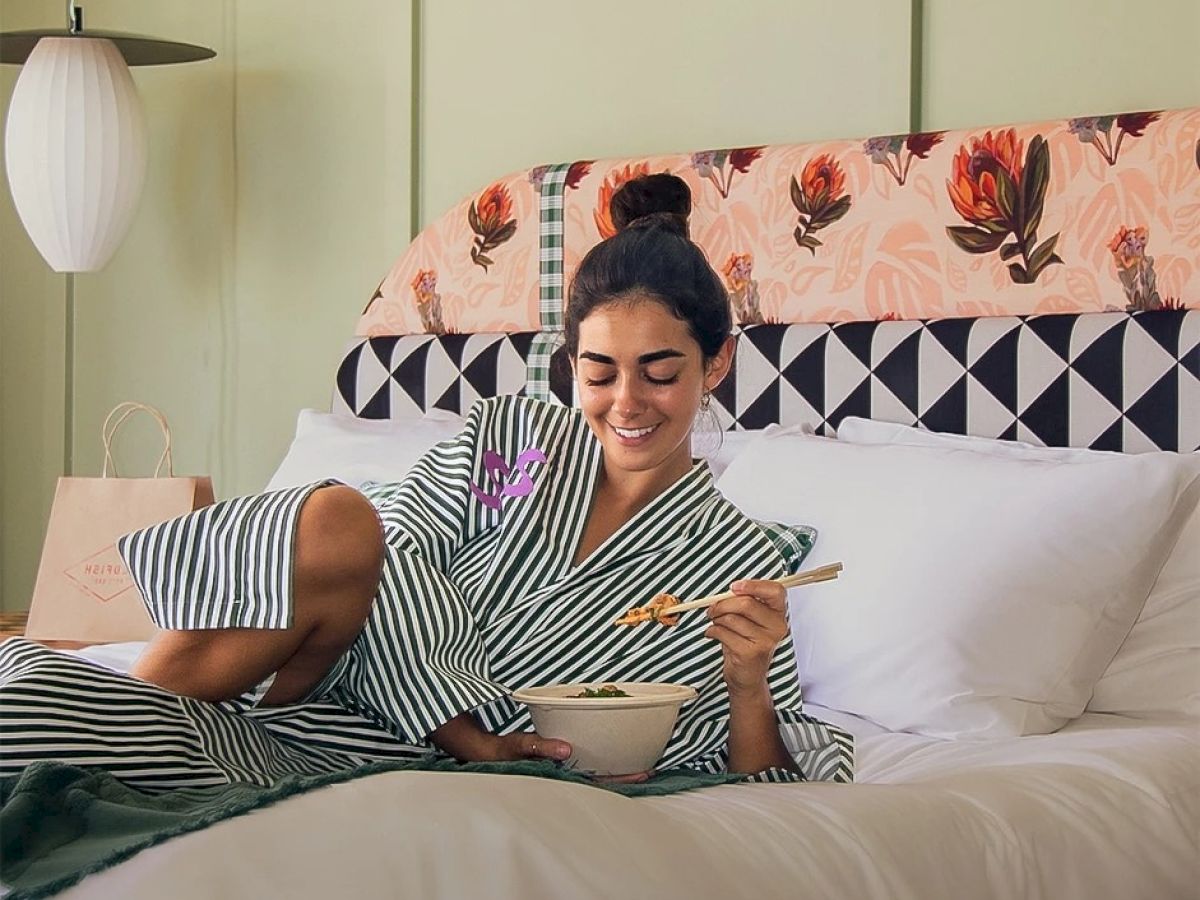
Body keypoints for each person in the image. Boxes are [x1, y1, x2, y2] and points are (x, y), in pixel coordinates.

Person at [0, 174, 852, 790]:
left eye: (659, 372)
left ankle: (112, 729)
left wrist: (747, 676)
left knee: (45, 714)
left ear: (717, 362)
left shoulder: (739, 560)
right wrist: (460, 726)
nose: (626, 403)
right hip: (349, 679)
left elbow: (764, 781)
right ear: (571, 368)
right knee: (338, 518)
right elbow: (391, 558)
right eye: (599, 373)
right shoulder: (507, 436)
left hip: (380, 749)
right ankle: (117, 715)